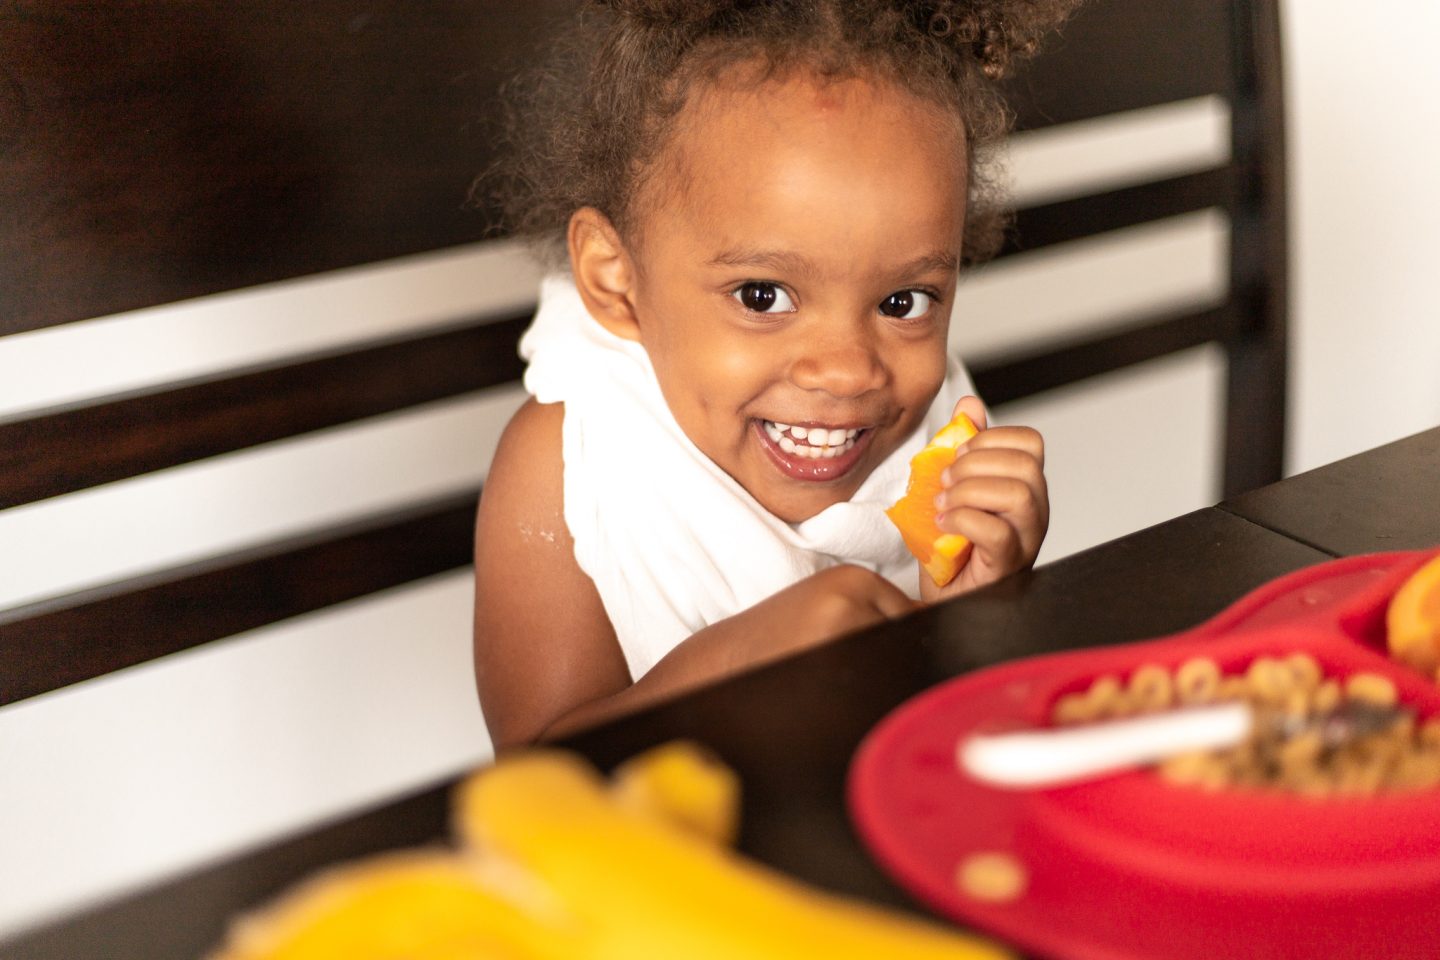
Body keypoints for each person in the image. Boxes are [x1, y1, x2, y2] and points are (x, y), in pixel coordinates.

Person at [473, 0, 1074, 750]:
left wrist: (975, 606)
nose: (848, 371)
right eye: (763, 296)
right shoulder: (570, 461)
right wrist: (741, 663)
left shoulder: (938, 431)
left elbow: (944, 727)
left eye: (902, 301)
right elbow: (538, 769)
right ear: (617, 278)